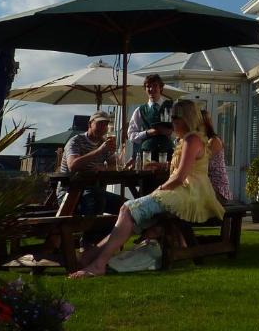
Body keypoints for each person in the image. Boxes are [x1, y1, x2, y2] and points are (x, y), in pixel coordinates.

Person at [69, 99, 224, 278]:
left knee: (128, 209)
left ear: (186, 118)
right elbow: (185, 168)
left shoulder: (191, 139)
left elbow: (180, 177)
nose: (171, 121)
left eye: (175, 117)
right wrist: (162, 166)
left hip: (188, 194)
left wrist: (159, 189)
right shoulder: (190, 138)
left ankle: (98, 264)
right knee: (129, 212)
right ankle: (89, 257)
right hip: (188, 192)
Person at [58, 111, 122, 245]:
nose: (103, 128)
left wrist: (104, 168)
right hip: (70, 193)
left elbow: (113, 166)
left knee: (125, 207)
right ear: (90, 124)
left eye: (105, 125)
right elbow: (73, 165)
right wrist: (99, 152)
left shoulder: (104, 143)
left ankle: (96, 245)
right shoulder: (75, 141)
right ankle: (88, 245)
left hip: (93, 191)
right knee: (97, 198)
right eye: (99, 124)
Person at [127, 74, 175, 163]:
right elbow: (131, 135)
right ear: (145, 89)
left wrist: (171, 132)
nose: (151, 89)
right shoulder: (140, 110)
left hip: (167, 153)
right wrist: (147, 133)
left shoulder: (172, 107)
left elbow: (183, 130)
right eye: (148, 86)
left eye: (155, 86)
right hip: (147, 155)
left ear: (161, 88)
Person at [201, 108, 232, 203]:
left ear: (204, 124)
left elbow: (201, 164)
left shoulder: (213, 141)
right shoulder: (203, 140)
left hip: (218, 189)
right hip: (207, 186)